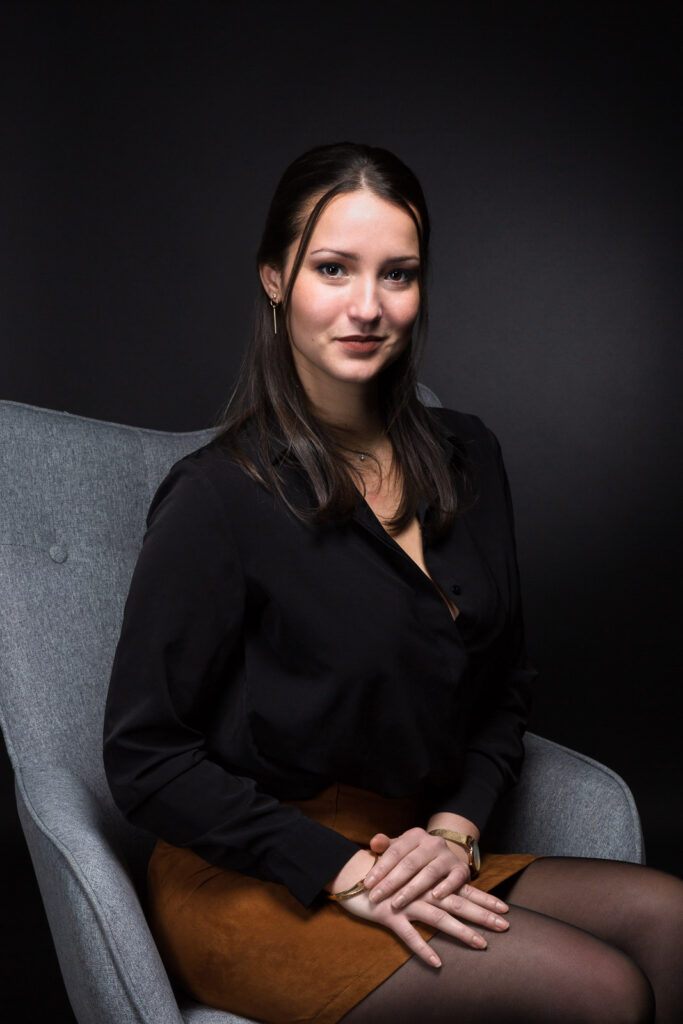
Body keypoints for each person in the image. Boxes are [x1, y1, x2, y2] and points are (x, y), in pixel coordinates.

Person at [103, 142, 683, 1024]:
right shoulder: (217, 497)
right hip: (256, 875)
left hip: (413, 845)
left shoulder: (469, 454)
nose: (367, 307)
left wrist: (454, 828)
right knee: (603, 992)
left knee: (671, 923)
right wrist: (338, 871)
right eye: (332, 269)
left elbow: (503, 692)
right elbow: (145, 758)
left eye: (398, 275)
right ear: (274, 278)